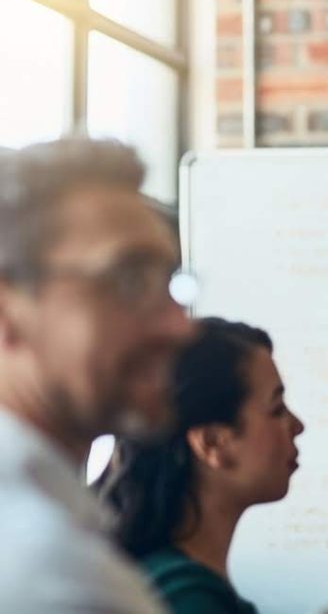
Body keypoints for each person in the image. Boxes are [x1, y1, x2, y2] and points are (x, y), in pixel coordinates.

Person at [0, 138, 194, 612]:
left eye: (168, 283)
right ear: (8, 311)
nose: (180, 326)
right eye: (131, 281)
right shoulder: (53, 574)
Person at [96, 317, 305, 614]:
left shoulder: (171, 583)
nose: (298, 426)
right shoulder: (184, 598)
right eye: (277, 410)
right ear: (212, 443)